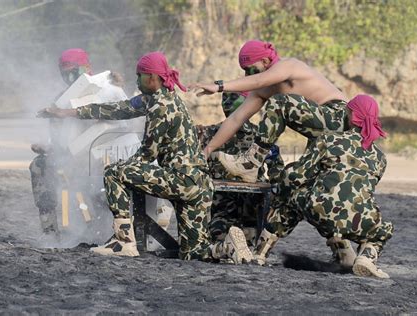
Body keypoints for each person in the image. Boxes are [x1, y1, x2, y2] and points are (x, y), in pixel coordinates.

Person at [38, 52, 253, 263]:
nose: (136, 80)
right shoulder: (160, 99)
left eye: (139, 76)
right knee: (193, 253)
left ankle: (124, 241)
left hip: (180, 180)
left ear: (152, 78)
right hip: (199, 184)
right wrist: (67, 113)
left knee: (114, 172)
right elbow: (116, 109)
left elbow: (147, 153)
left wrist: (120, 171)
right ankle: (227, 248)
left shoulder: (161, 107)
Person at [191, 40, 355, 266]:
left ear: (267, 60)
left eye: (250, 68)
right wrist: (207, 149)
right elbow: (236, 119)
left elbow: (258, 80)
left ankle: (251, 162)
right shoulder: (263, 90)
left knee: (279, 103)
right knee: (301, 186)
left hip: (338, 119)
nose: (247, 75)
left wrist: (218, 86)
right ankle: (342, 248)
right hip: (321, 139)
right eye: (244, 71)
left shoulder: (289, 66)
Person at [270, 95, 394, 278]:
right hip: (363, 219)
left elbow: (297, 176)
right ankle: (366, 257)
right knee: (382, 231)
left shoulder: (329, 139)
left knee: (294, 194)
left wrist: (278, 188)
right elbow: (365, 189)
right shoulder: (380, 157)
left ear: (352, 116)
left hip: (320, 209)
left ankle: (261, 250)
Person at [30, 48, 136, 237]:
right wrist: (48, 147)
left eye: (74, 71)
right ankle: (50, 232)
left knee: (103, 173)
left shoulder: (110, 90)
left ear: (87, 68)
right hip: (73, 160)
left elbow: (126, 125)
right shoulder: (61, 101)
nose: (70, 77)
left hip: (107, 156)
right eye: (65, 73)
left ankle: (112, 231)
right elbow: (58, 139)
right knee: (39, 166)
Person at [199, 92, 279, 247]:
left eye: (233, 97)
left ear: (248, 102)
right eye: (224, 98)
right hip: (222, 208)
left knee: (252, 243)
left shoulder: (260, 136)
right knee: (220, 240)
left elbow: (276, 166)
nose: (227, 102)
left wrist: (275, 192)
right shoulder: (210, 134)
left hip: (252, 210)